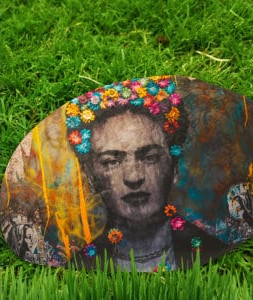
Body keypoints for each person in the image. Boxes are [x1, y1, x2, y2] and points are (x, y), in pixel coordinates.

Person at [65, 76, 199, 271]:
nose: (134, 177)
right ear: (91, 176)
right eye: (112, 161)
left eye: (149, 157)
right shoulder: (81, 263)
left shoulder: (206, 246)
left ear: (174, 165)